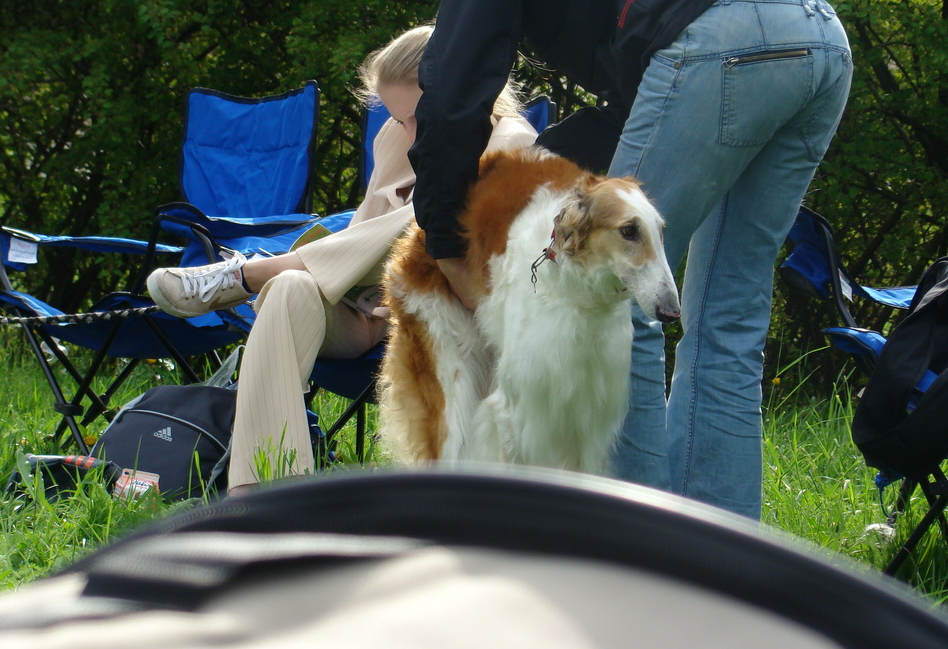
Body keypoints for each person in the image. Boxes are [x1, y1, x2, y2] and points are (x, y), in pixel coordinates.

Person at [408, 0, 853, 519]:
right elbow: (638, 106)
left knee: (617, 299)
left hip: (722, 39)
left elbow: (457, 76)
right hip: (819, 35)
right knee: (728, 321)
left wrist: (443, 236)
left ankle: (640, 560)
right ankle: (721, 573)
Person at [147, 25, 537, 494]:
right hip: (368, 307)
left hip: (446, 313)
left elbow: (472, 257)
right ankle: (263, 493)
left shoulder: (511, 144)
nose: (410, 136)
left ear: (463, 92)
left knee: (432, 212)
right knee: (291, 290)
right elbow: (366, 229)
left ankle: (249, 271)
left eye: (418, 117)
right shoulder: (396, 141)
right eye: (398, 121)